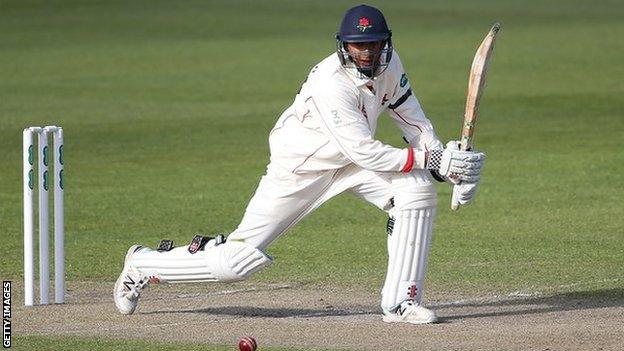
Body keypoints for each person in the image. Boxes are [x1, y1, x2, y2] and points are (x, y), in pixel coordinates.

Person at [113, 4, 485, 324]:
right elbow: (366, 151)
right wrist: (433, 159)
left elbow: (413, 122)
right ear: (344, 46)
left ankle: (402, 301)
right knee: (237, 262)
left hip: (350, 165)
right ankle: (144, 264)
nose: (368, 53)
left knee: (417, 191)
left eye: (374, 44)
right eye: (359, 45)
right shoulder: (329, 83)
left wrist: (448, 167)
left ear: (385, 42)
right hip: (301, 171)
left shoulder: (390, 64)